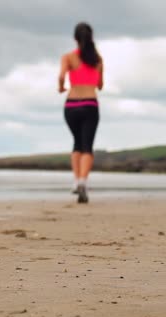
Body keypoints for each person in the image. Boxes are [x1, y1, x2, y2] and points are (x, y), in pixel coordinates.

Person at [58, 22, 103, 204]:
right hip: (90, 104)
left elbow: (61, 76)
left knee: (76, 142)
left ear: (75, 38)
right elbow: (100, 85)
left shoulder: (68, 57)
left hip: (71, 105)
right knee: (87, 145)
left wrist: (61, 87)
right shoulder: (97, 59)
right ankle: (83, 181)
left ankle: (76, 181)